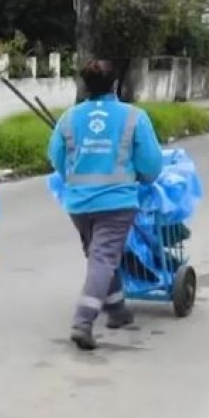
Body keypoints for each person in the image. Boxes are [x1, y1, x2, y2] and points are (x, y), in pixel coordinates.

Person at [48, 59, 163, 351]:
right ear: (116, 85)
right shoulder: (134, 117)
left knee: (99, 255)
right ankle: (83, 321)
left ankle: (117, 310)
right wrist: (145, 178)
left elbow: (57, 157)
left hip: (79, 203)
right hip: (117, 202)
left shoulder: (69, 118)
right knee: (103, 259)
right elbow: (150, 164)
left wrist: (74, 178)